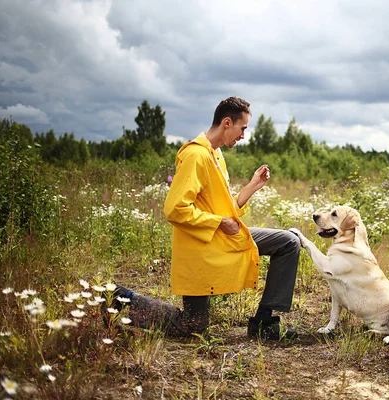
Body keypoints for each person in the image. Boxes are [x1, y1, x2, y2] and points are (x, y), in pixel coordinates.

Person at [112, 97, 300, 340]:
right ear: (226, 122)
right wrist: (220, 222)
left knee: (287, 242)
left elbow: (222, 206)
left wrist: (253, 187)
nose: (244, 135)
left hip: (221, 238)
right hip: (201, 248)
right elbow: (176, 209)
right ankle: (116, 297)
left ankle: (265, 321)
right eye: (242, 128)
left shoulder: (216, 155)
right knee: (192, 325)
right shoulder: (196, 156)